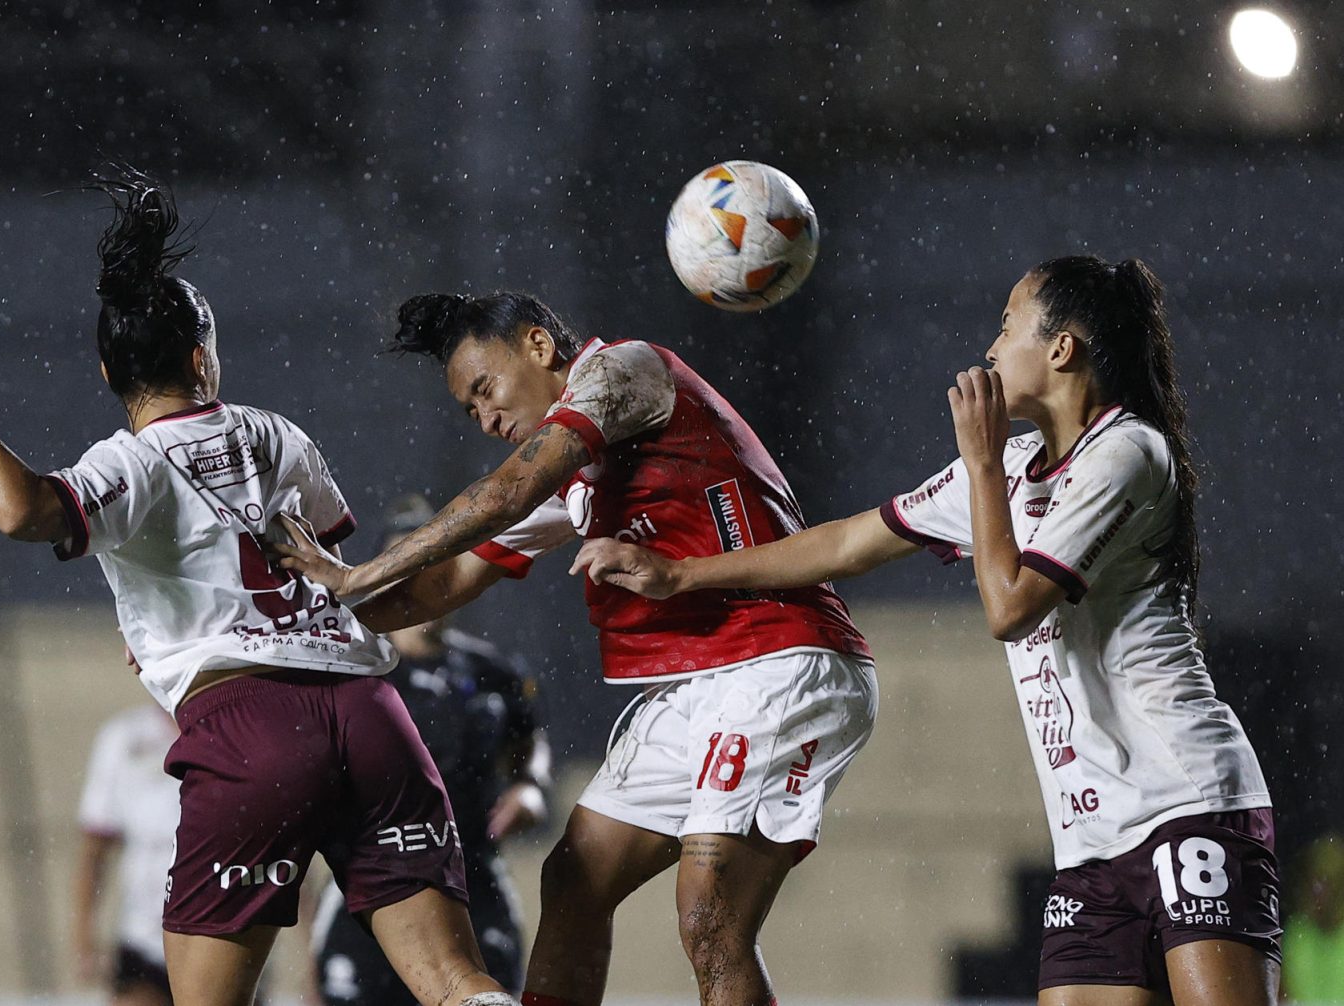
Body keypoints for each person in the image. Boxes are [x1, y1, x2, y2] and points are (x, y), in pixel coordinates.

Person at [0, 168, 516, 1006]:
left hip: (250, 730)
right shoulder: (277, 434)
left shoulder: (130, 459)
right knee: (453, 981)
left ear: (109, 370)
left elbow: (20, 509)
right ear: (202, 356)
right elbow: (328, 569)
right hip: (371, 712)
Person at [572, 256, 1281, 1006]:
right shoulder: (1010, 464)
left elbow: (1011, 609)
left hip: (1187, 800)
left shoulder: (1126, 453)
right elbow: (848, 542)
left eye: (1008, 327)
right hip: (1089, 843)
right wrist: (680, 574)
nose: (990, 348)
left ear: (1061, 348)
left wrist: (979, 467)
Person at [274, 292, 877, 1006]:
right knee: (574, 880)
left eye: (485, 389)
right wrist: (294, 617)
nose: (487, 418)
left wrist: (360, 571)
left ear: (537, 346)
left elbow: (507, 490)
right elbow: (442, 583)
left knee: (710, 914)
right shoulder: (577, 481)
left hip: (778, 657)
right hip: (696, 682)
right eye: (469, 411)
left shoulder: (629, 369)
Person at [313, 494, 552, 1006]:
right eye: (408, 569)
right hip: (370, 885)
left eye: (435, 568)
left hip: (474, 882)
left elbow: (528, 740)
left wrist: (530, 786)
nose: (421, 584)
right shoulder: (347, 670)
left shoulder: (493, 670)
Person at [72, 703, 182, 1006]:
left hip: (220, 932)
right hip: (143, 937)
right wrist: (84, 937)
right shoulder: (125, 737)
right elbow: (95, 848)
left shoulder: (236, 730)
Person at [1281, 834, 1344, 1003]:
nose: (1318, 891)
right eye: (1314, 880)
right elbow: (1283, 994)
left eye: (1328, 882)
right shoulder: (1296, 932)